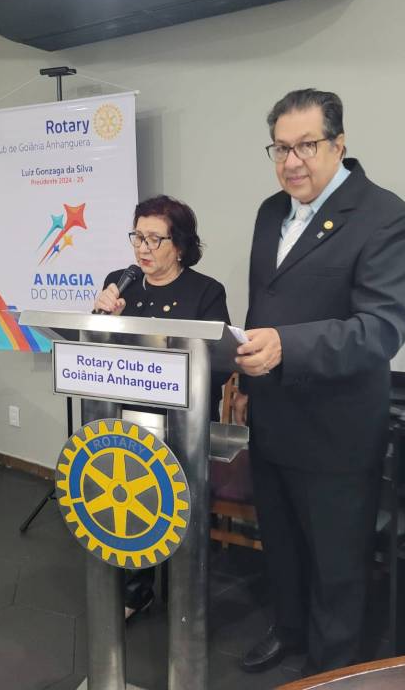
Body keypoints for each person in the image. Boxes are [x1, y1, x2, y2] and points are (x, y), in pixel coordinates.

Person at [234, 89, 405, 676]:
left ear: (338, 144)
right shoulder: (270, 212)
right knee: (281, 546)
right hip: (272, 417)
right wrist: (245, 381)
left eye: (306, 146)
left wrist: (287, 347)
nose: (292, 162)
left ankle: (333, 670)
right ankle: (288, 630)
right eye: (280, 148)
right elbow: (264, 305)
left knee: (338, 566)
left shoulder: (386, 217)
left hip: (336, 431)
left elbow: (380, 330)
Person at [94, 194, 230, 617]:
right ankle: (137, 589)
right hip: (125, 417)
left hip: (182, 422)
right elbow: (96, 357)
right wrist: (102, 319)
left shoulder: (206, 292)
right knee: (128, 503)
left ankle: (185, 592)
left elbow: (219, 366)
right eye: (137, 237)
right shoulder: (120, 282)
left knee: (175, 508)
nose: (143, 248)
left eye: (155, 239)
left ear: (181, 245)